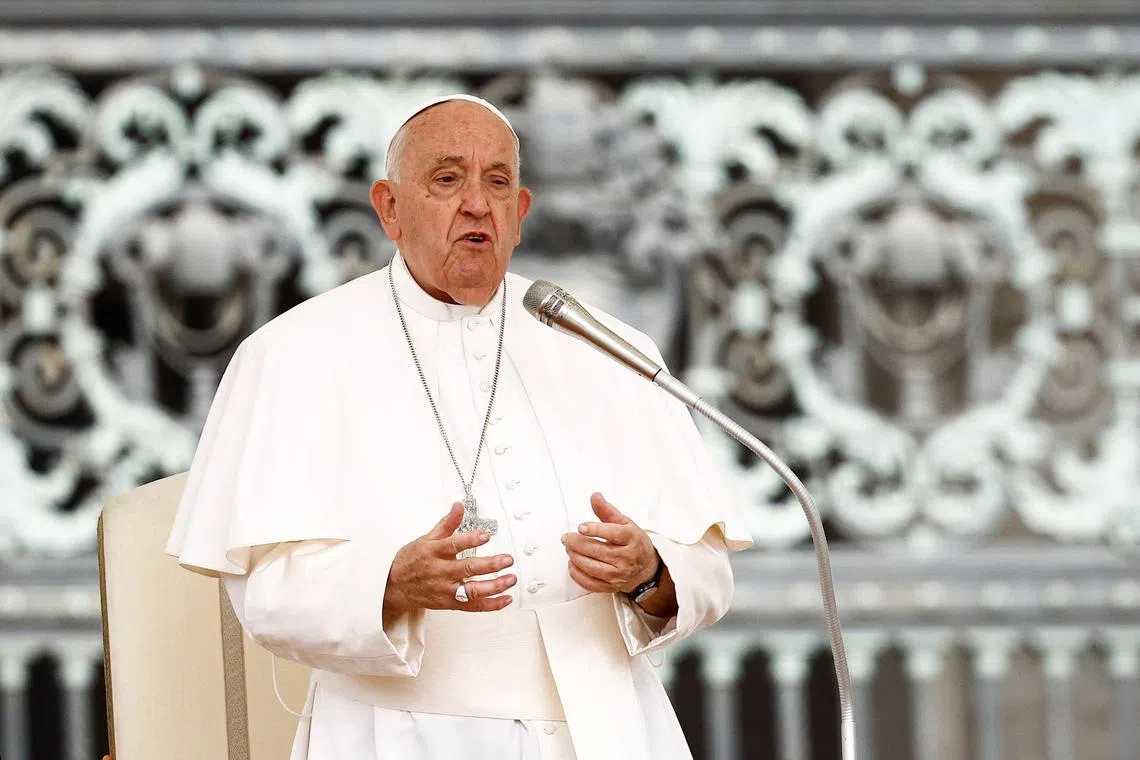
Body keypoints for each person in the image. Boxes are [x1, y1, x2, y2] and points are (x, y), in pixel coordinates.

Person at [166, 94, 752, 760]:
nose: (478, 203)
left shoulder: (610, 348)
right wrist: (389, 583)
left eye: (497, 182)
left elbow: (708, 571)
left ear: (521, 213)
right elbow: (266, 595)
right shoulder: (294, 354)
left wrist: (651, 572)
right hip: (395, 733)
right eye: (448, 179)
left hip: (608, 731)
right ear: (389, 207)